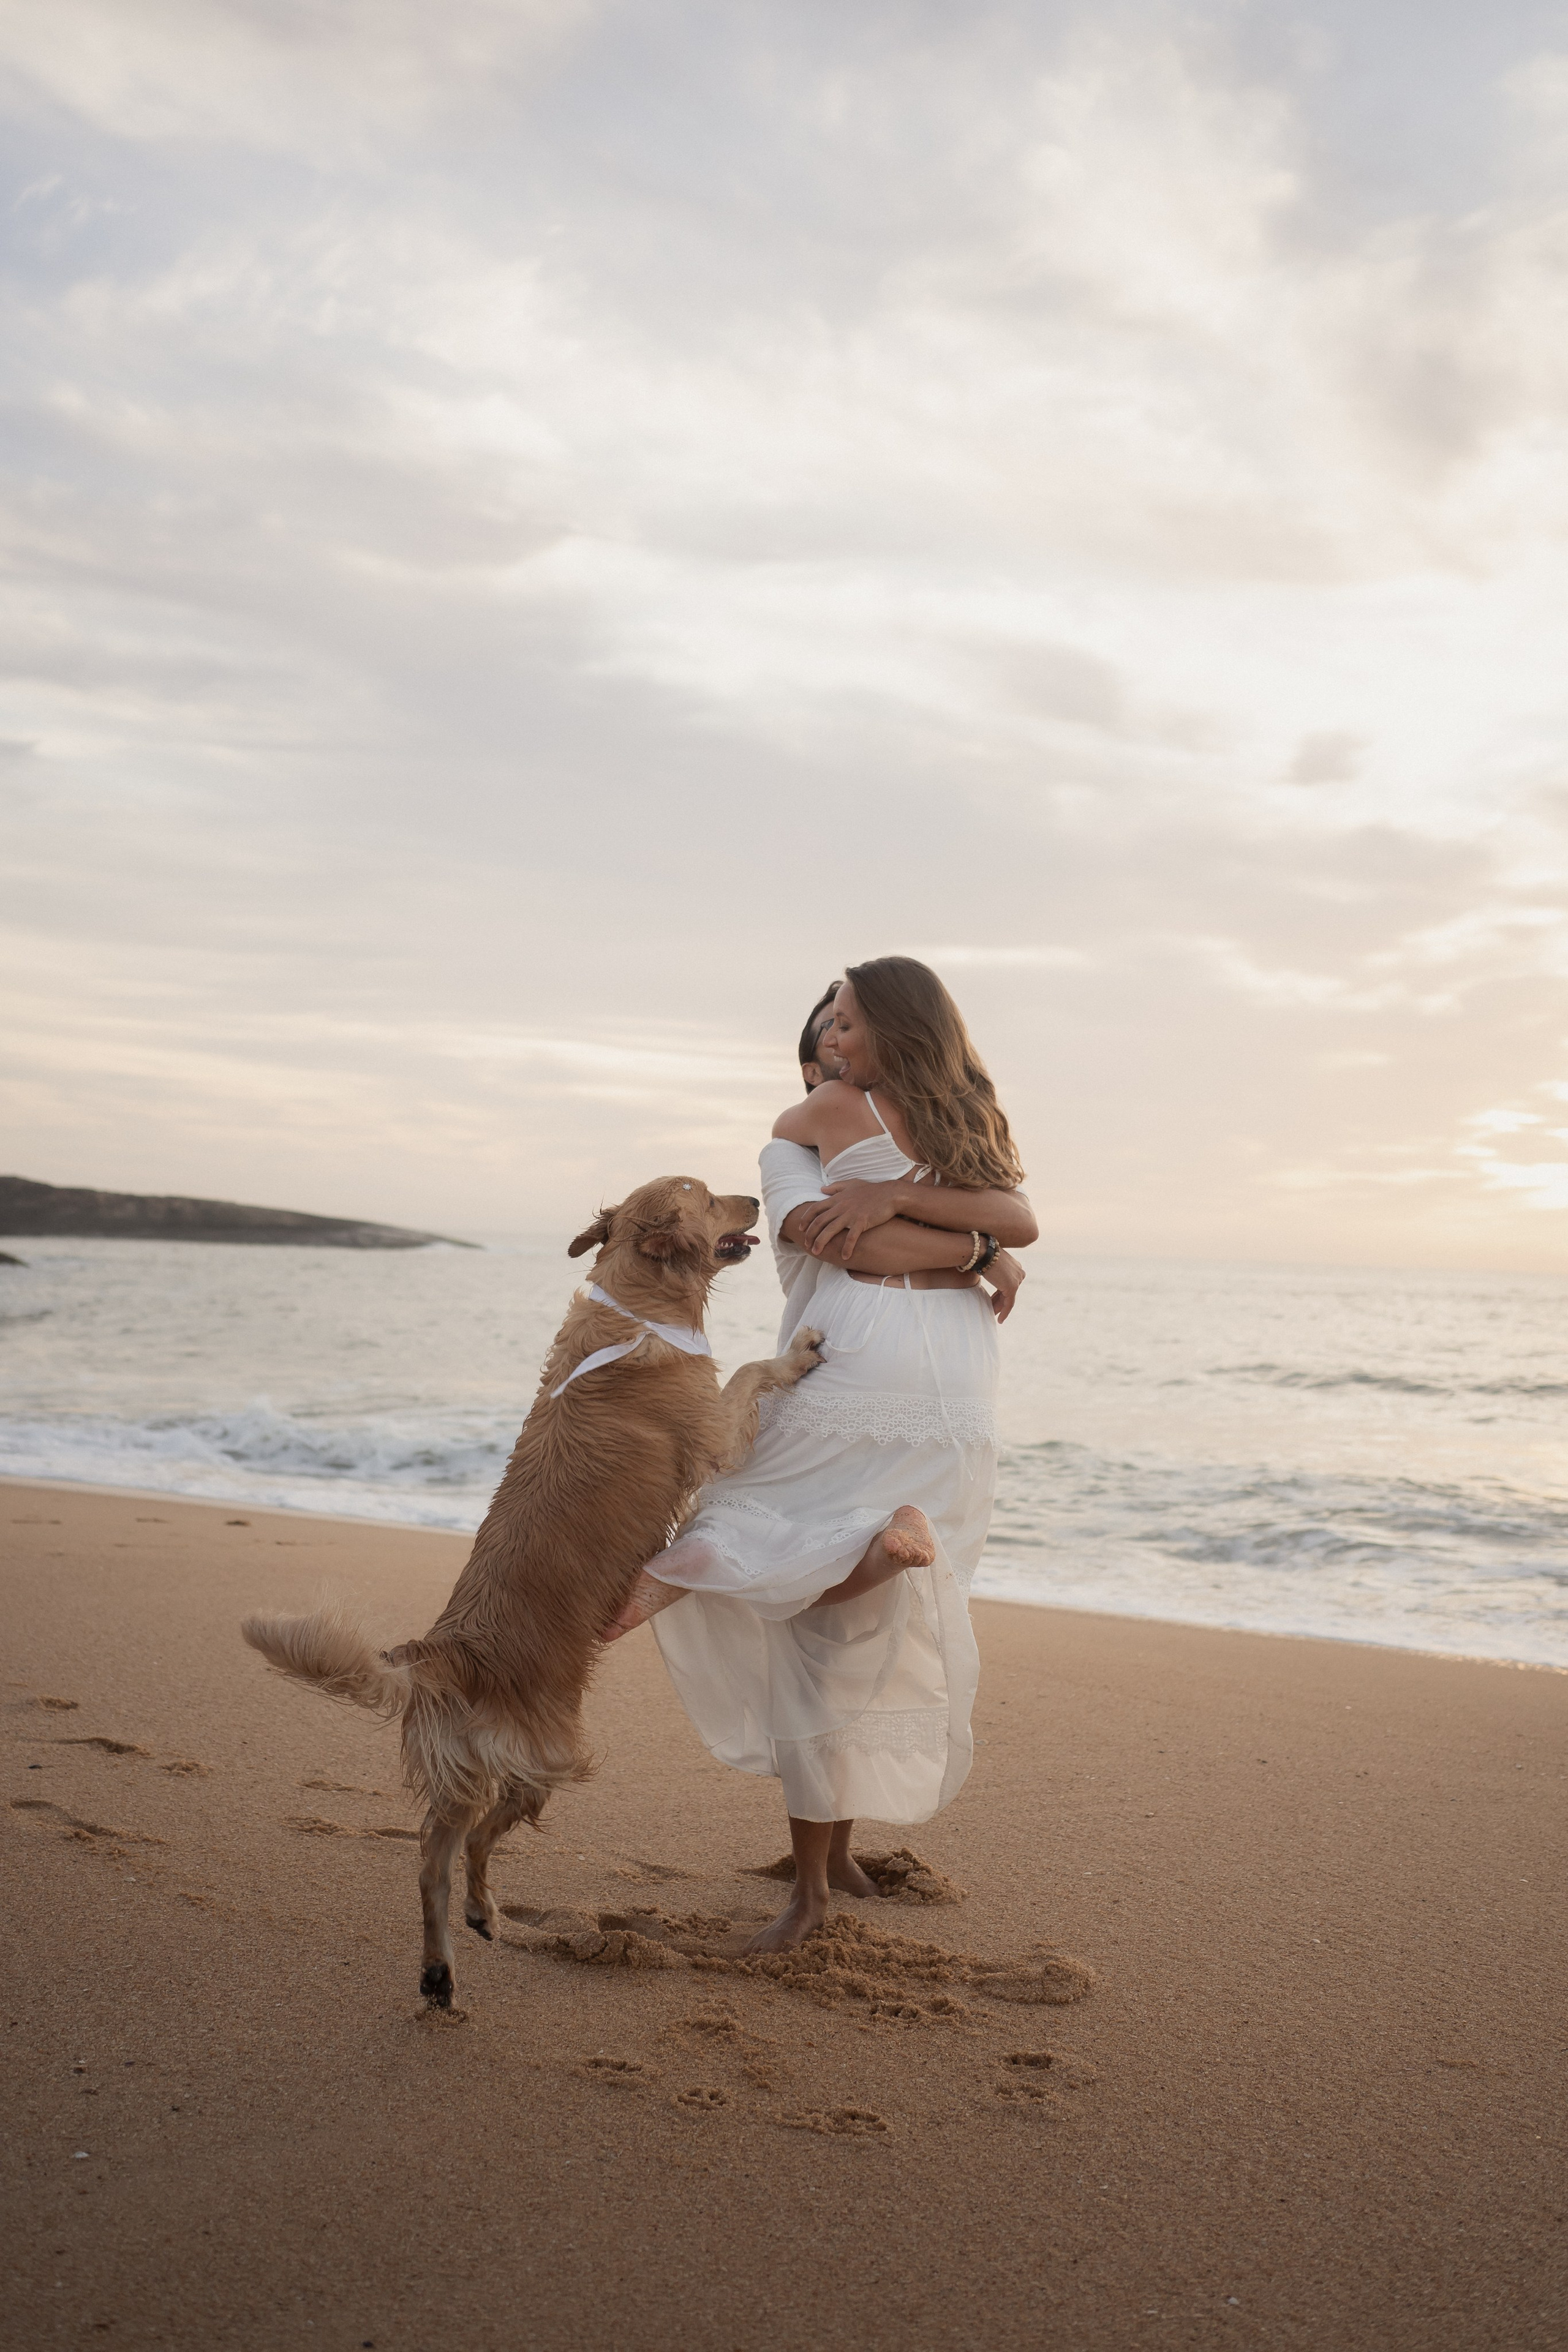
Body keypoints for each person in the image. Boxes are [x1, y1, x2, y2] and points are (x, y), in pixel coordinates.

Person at [603, 957, 1037, 1950]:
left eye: (841, 1029)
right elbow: (1011, 1222)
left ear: (886, 1034)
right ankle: (834, 1842)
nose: (826, 1054)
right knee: (852, 1615)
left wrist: (893, 1208)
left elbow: (855, 1253)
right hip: (959, 1367)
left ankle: (810, 1895)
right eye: (820, 1036)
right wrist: (973, 1249)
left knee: (762, 1554)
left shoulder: (815, 1121)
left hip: (861, 1354)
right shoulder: (966, 1120)